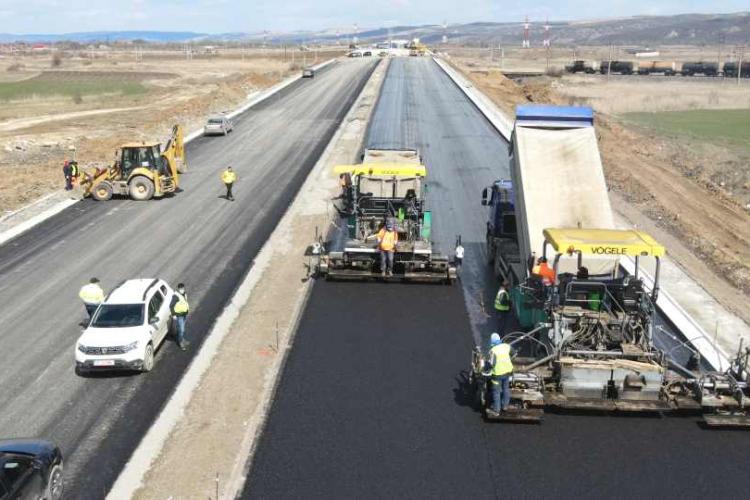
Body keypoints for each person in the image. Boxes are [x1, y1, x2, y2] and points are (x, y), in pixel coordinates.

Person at [488, 332, 513, 414]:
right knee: (506, 389)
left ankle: (496, 410)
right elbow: (514, 353)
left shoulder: (493, 351)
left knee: (496, 392)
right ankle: (505, 406)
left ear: (492, 341)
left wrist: (486, 369)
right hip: (508, 372)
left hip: (497, 374)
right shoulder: (507, 346)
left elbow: (492, 364)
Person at [170, 283, 190, 351]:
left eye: (183, 288)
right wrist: (173, 315)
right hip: (179, 315)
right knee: (181, 329)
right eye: (181, 289)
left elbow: (185, 303)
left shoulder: (184, 294)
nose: (182, 290)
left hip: (184, 314)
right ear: (178, 289)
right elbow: (171, 305)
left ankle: (182, 339)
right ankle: (181, 343)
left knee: (182, 329)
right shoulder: (176, 296)